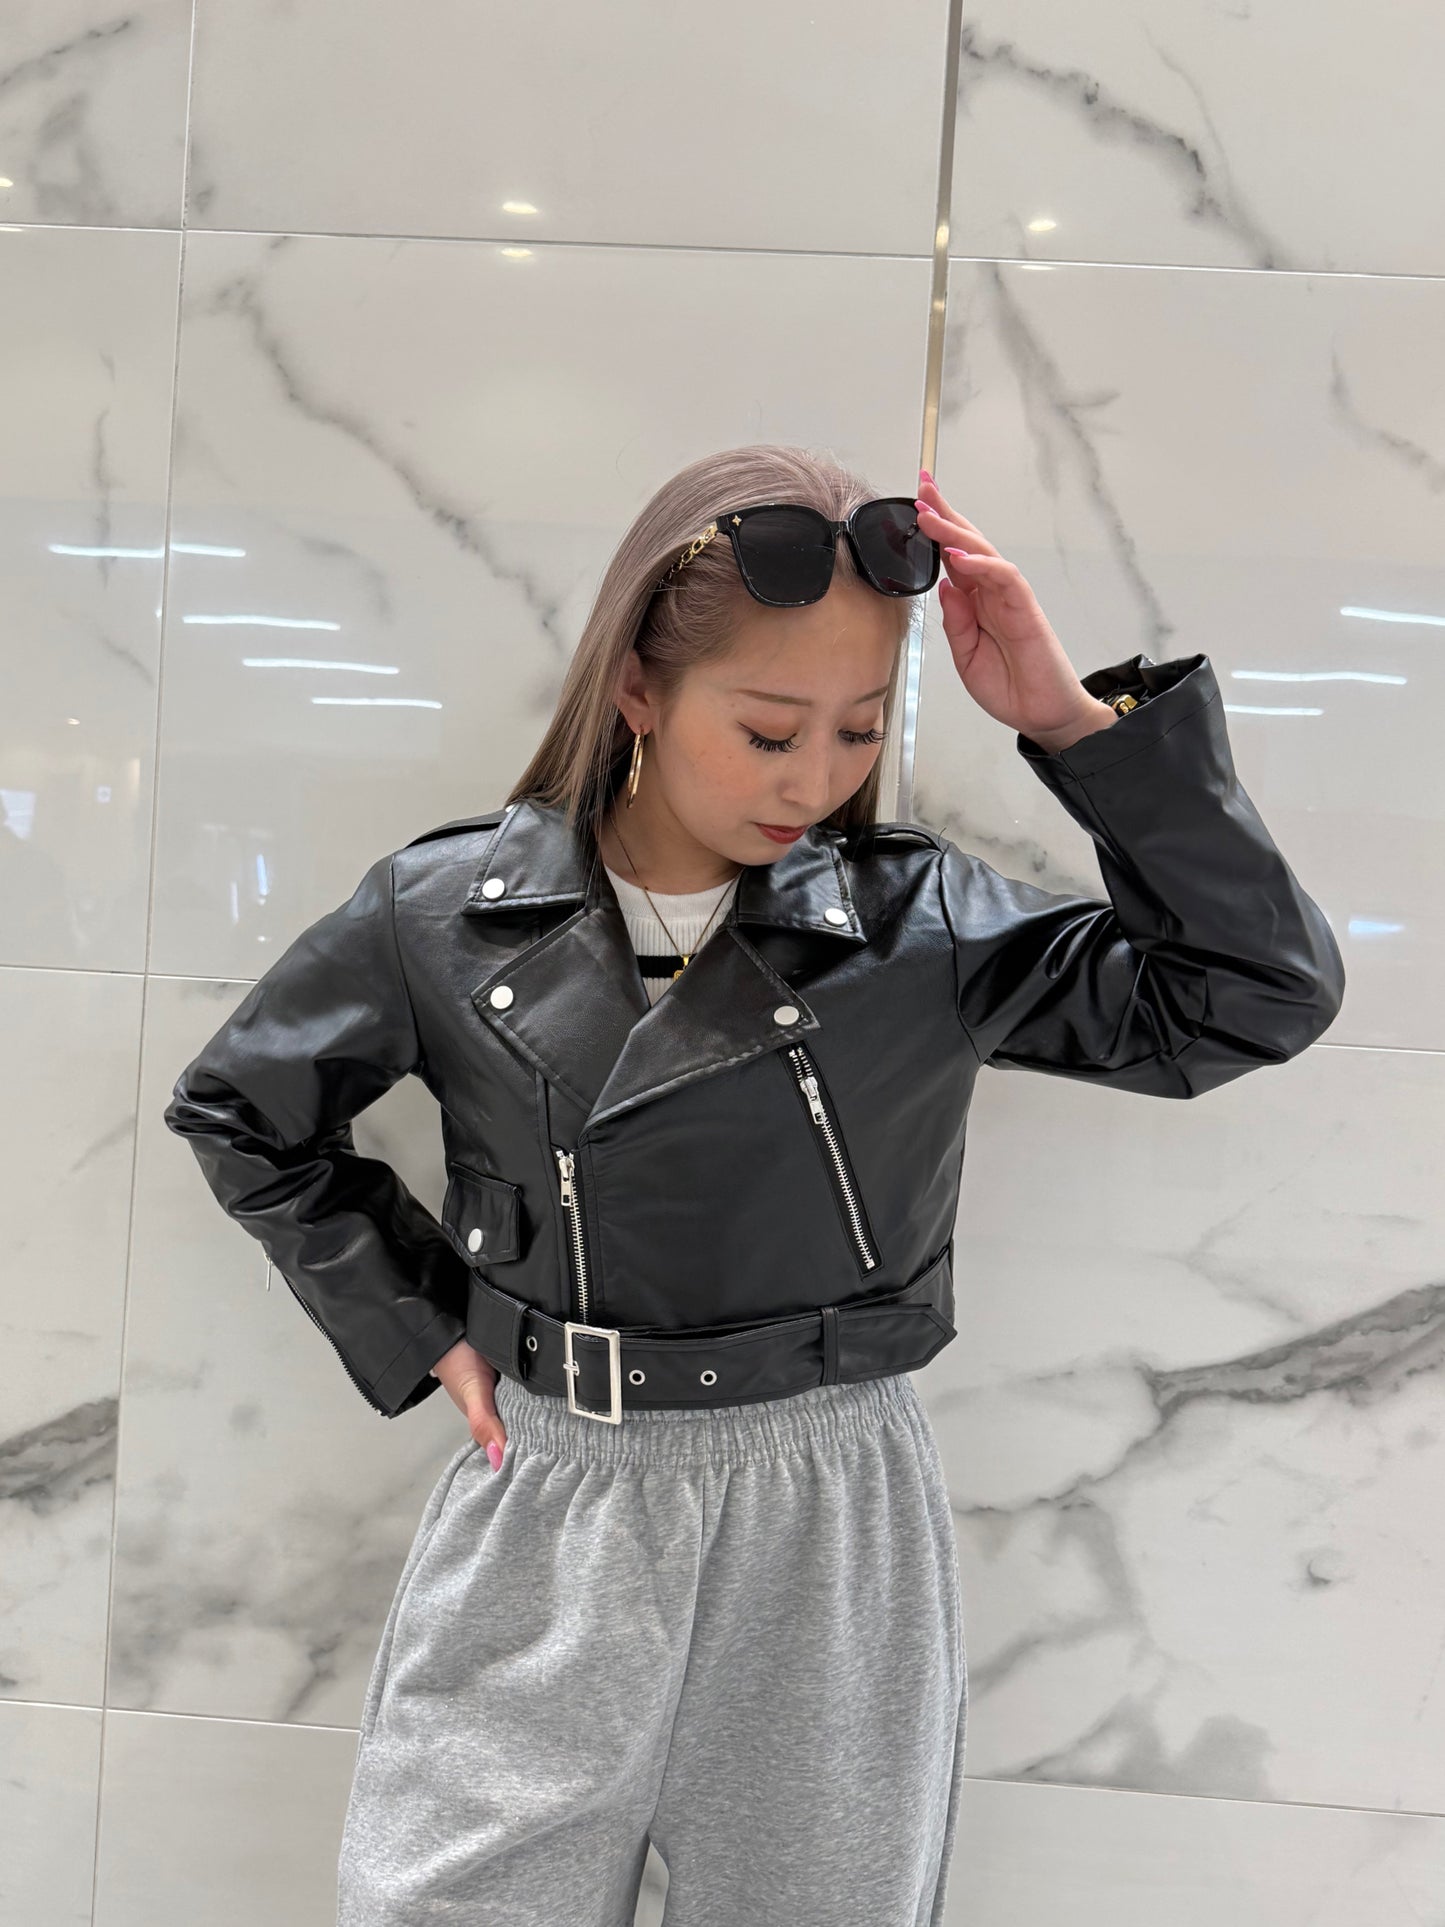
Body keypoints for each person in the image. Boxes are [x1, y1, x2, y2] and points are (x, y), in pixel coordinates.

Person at [162, 444, 1345, 1926]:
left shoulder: (920, 924)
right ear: (638, 690)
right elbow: (244, 1110)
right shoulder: (445, 912)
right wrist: (418, 1325)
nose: (815, 780)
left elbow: (1248, 995)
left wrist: (1070, 722)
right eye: (770, 729)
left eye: (860, 729)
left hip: (827, 1506)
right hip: (555, 1494)